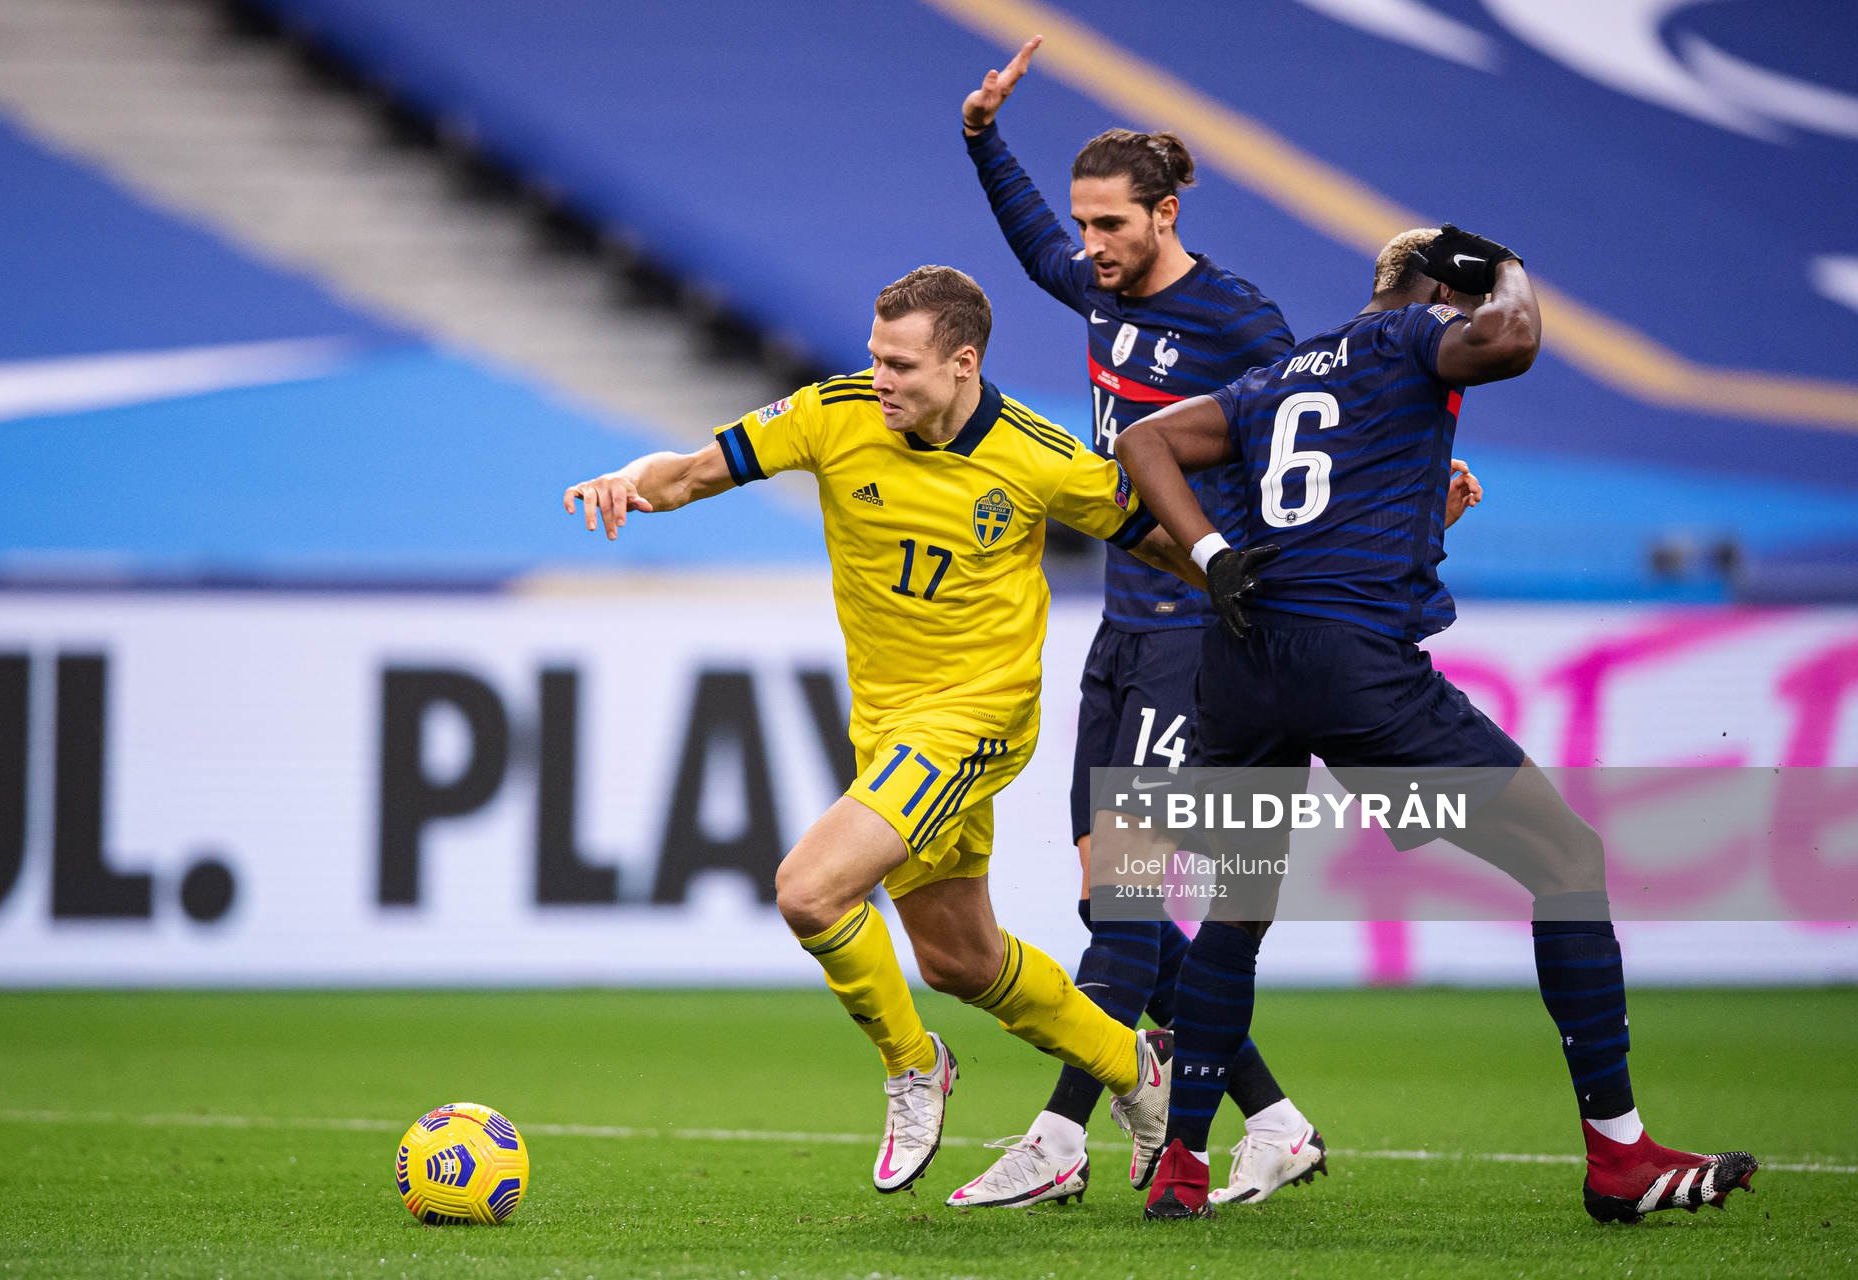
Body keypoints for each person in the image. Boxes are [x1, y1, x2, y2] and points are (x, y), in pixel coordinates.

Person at [1114, 224, 1759, 1221]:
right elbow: (1513, 342)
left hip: (1243, 662)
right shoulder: (1413, 334)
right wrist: (1506, 270)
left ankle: (1184, 1166)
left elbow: (1144, 440)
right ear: (1436, 293)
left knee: (1236, 910)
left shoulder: (1282, 372)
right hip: (1350, 670)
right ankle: (1619, 1156)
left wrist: (1210, 557)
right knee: (1566, 858)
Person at [951, 34, 1475, 1210]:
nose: (1089, 249)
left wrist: (1422, 487)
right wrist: (983, 137)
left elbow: (1330, 412)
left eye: (1111, 227)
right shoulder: (1093, 279)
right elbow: (1033, 240)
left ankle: (1063, 1133)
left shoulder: (1240, 317)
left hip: (1197, 626)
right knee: (1105, 897)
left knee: (1132, 892)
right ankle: (1277, 1119)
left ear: (1167, 212)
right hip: (1118, 623)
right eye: (1084, 227)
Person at [564, 265, 1183, 1198]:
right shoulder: (832, 413)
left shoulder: (1036, 456)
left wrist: (1290, 578)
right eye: (874, 357)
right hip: (889, 727)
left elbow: (1168, 534)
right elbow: (689, 471)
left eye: (900, 363)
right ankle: (1138, 1071)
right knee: (960, 961)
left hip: (980, 715)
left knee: (809, 891)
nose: (880, 377)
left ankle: (911, 1066)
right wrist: (627, 480)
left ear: (963, 363)